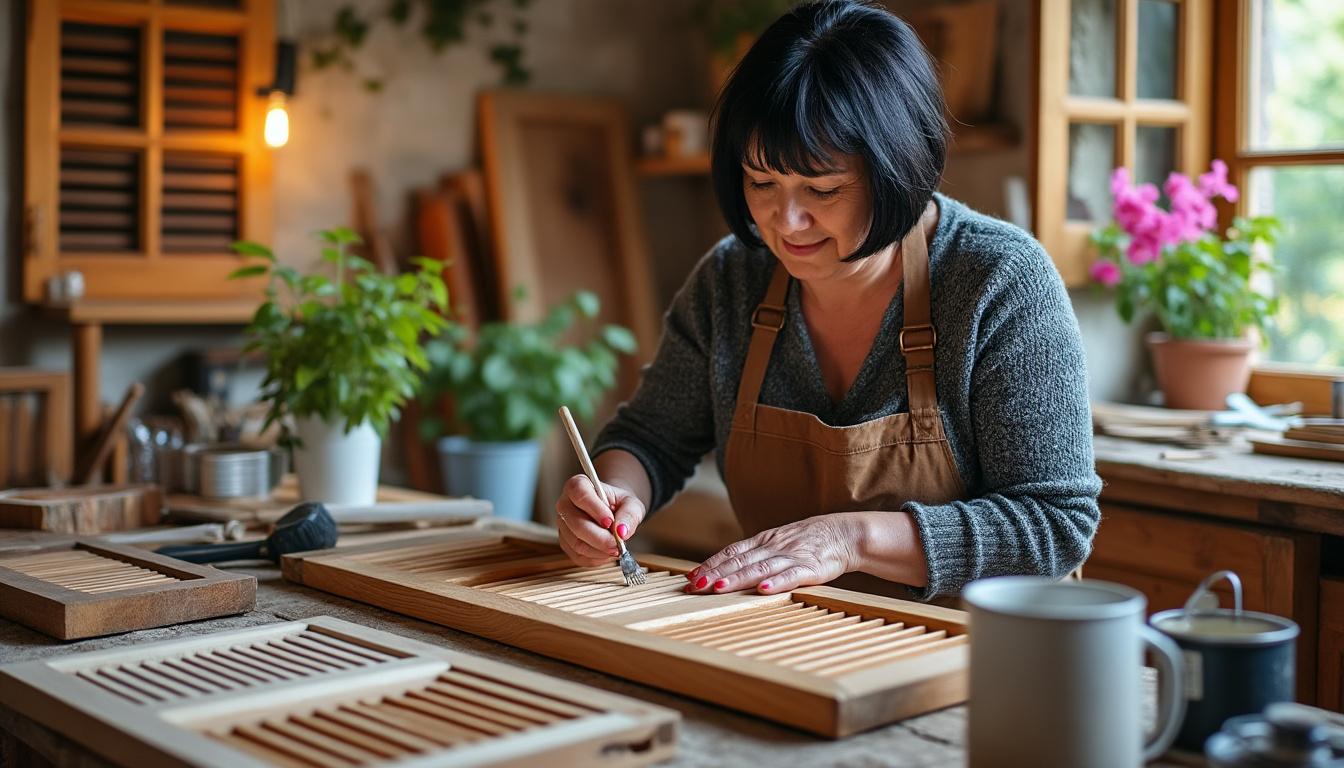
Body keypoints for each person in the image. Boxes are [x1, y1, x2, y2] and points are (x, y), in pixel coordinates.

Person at [554, 0, 1101, 601]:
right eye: (761, 182)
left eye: (822, 188)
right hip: (803, 646)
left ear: (899, 168)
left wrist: (851, 539)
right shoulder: (733, 280)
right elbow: (652, 437)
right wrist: (610, 496)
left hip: (978, 658)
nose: (785, 221)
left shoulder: (997, 281)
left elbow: (1053, 526)